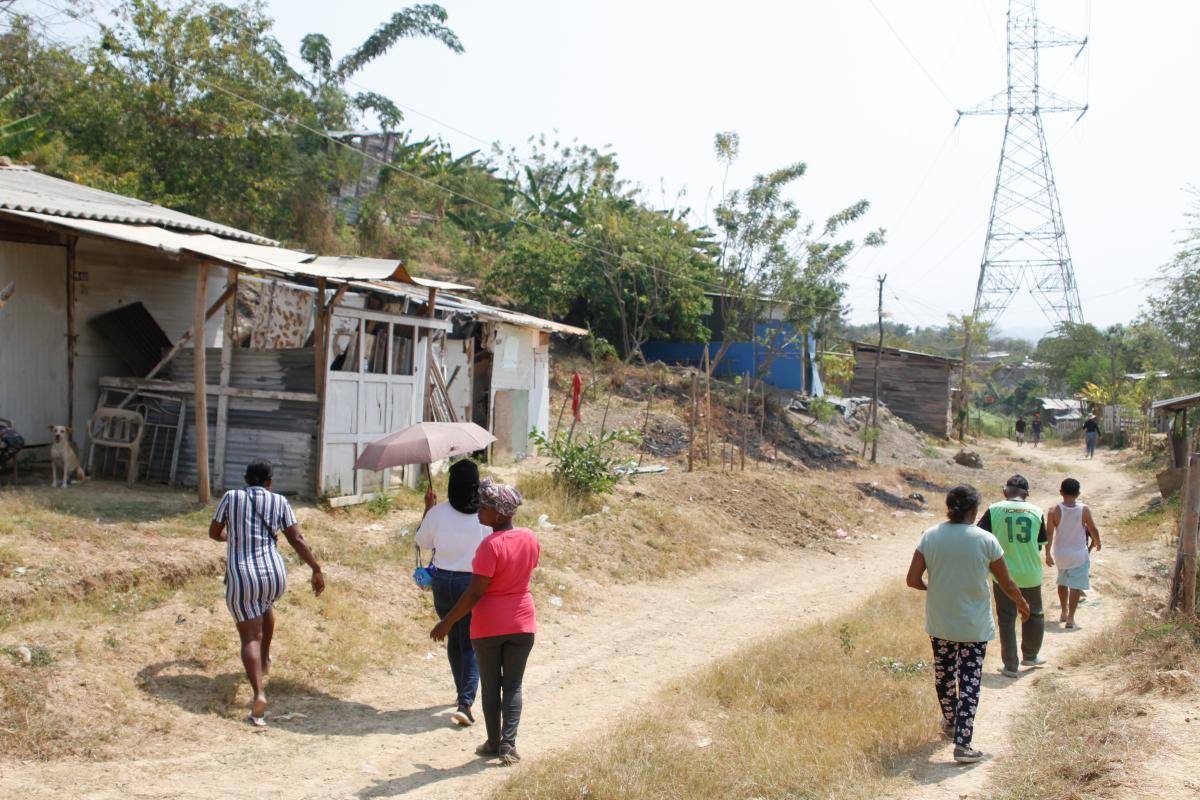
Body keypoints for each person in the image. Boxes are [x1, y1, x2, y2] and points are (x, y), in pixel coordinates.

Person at [906, 485, 1030, 764]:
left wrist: (936, 589)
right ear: (974, 510)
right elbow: (1007, 583)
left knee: (945, 675)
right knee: (970, 679)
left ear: (949, 507)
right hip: (973, 625)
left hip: (940, 621)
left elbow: (912, 580)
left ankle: (950, 722)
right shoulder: (985, 540)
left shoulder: (930, 536)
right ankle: (963, 743)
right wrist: (1022, 603)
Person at [431, 478, 539, 766]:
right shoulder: (529, 538)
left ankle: (494, 742)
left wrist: (447, 622)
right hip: (522, 623)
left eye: (485, 506)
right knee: (513, 686)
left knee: (492, 687)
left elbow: (475, 592)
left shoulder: (489, 546)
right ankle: (508, 745)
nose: (479, 509)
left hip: (489, 626)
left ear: (500, 514)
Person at [208, 459, 324, 726]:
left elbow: (214, 533)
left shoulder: (231, 497)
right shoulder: (280, 502)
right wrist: (316, 568)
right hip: (274, 573)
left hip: (243, 573)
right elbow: (296, 539)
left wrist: (232, 536)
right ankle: (265, 659)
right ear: (269, 483)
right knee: (264, 607)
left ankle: (259, 695)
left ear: (246, 479)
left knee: (250, 635)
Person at [416, 459, 491, 727]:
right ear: (476, 484)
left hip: (442, 583)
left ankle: (462, 693)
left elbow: (421, 542)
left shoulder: (438, 513)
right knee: (470, 642)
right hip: (472, 584)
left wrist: (428, 509)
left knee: (455, 640)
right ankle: (466, 703)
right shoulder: (485, 515)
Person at [976, 475, 1047, 677]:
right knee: (1035, 614)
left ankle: (1010, 666)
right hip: (1031, 573)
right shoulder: (1037, 511)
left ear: (1005, 491)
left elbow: (980, 537)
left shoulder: (994, 510)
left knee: (1007, 619)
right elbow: (1041, 544)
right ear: (1026, 494)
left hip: (1003, 574)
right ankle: (1031, 655)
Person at [1045, 478, 1101, 629]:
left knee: (1062, 582)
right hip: (1078, 554)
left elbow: (1049, 533)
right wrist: (1097, 541)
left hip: (1060, 553)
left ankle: (1063, 611)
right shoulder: (1084, 509)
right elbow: (1093, 528)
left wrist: (1047, 553)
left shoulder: (1053, 510)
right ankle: (1070, 619)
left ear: (1061, 492)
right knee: (1075, 586)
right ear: (1078, 493)